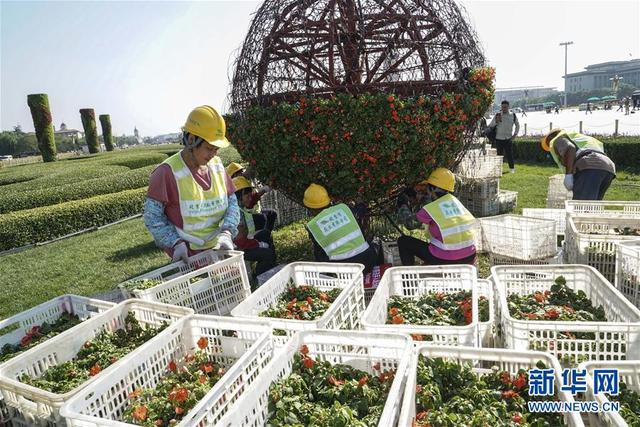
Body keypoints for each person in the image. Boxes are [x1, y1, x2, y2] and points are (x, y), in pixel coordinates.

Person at [143, 105, 240, 263]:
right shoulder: (166, 173)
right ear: (191, 140)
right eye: (209, 148)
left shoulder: (217, 165)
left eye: (217, 149)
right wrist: (175, 243)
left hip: (220, 250)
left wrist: (227, 232)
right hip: (188, 258)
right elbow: (152, 217)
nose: (213, 154)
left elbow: (232, 202)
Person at [397, 168, 476, 266]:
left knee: (404, 241)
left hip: (446, 258)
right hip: (469, 256)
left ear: (432, 189)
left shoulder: (431, 208)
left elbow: (410, 224)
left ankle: (408, 277)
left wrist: (403, 205)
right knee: (434, 246)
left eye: (427, 187)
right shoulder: (456, 202)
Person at [303, 183, 378, 273]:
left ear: (309, 207)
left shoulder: (313, 226)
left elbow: (320, 255)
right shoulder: (344, 208)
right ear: (328, 200)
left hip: (342, 270)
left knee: (319, 251)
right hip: (367, 263)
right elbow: (361, 217)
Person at [541, 128, 616, 201]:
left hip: (590, 165)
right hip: (608, 168)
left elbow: (570, 148)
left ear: (550, 137)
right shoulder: (578, 138)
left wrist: (568, 175)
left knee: (581, 207)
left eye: (548, 143)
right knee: (593, 208)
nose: (551, 147)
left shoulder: (558, 139)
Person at [232, 176, 277, 279]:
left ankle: (271, 267)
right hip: (238, 249)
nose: (250, 198)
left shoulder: (240, 207)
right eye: (247, 196)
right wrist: (258, 244)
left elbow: (253, 200)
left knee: (265, 234)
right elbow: (241, 243)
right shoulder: (236, 214)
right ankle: (261, 277)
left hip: (244, 242)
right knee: (267, 254)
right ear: (239, 196)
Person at [487, 100, 519, 173]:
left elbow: (517, 125)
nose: (503, 109)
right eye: (502, 107)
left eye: (505, 107)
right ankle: (499, 170)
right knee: (499, 156)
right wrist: (496, 121)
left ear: (508, 107)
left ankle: (512, 170)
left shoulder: (513, 115)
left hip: (508, 138)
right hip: (499, 138)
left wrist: (515, 134)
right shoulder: (497, 115)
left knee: (509, 154)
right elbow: (490, 126)